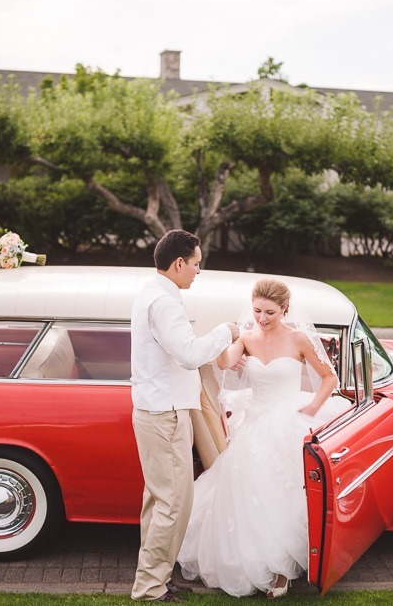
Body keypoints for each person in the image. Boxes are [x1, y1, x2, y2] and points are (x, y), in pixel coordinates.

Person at [177, 278, 346, 598]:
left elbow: (329, 377)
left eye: (270, 312)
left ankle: (283, 571)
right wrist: (227, 340)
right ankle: (254, 562)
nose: (262, 318)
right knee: (244, 485)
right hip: (254, 418)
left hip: (290, 416)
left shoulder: (298, 339)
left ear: (284, 309)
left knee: (284, 492)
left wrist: (311, 407)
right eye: (257, 311)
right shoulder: (248, 337)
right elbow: (225, 361)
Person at [130, 229, 240, 603]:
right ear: (178, 263)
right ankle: (149, 587)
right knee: (175, 503)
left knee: (158, 501)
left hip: (154, 409)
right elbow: (189, 354)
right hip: (166, 414)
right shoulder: (164, 303)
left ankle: (156, 577)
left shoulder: (153, 292)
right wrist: (226, 332)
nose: (198, 271)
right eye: (196, 264)